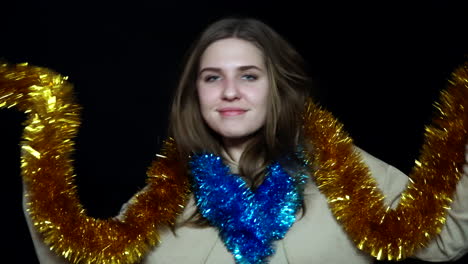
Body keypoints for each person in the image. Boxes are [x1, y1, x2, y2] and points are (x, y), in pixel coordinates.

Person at [1, 16, 467, 264]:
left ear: (277, 87)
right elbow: (78, 256)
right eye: (211, 77)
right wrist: (41, 151)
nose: (229, 92)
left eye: (248, 75)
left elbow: (444, 241)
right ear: (195, 93)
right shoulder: (160, 199)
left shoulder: (348, 173)